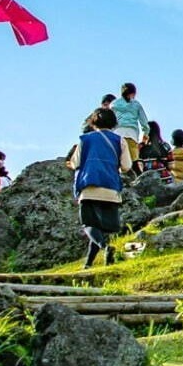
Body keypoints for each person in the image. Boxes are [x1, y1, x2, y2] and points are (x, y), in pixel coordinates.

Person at [67, 107, 133, 269]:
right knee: (101, 229)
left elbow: (75, 163)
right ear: (114, 123)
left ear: (94, 121)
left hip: (89, 187)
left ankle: (105, 248)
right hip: (111, 188)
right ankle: (88, 264)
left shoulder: (85, 139)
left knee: (89, 224)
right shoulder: (120, 141)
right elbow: (126, 166)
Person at [112, 83, 149, 165]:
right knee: (133, 163)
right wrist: (144, 139)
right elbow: (145, 124)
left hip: (116, 135)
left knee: (116, 163)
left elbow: (110, 121)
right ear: (133, 93)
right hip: (131, 135)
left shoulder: (114, 104)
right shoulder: (136, 104)